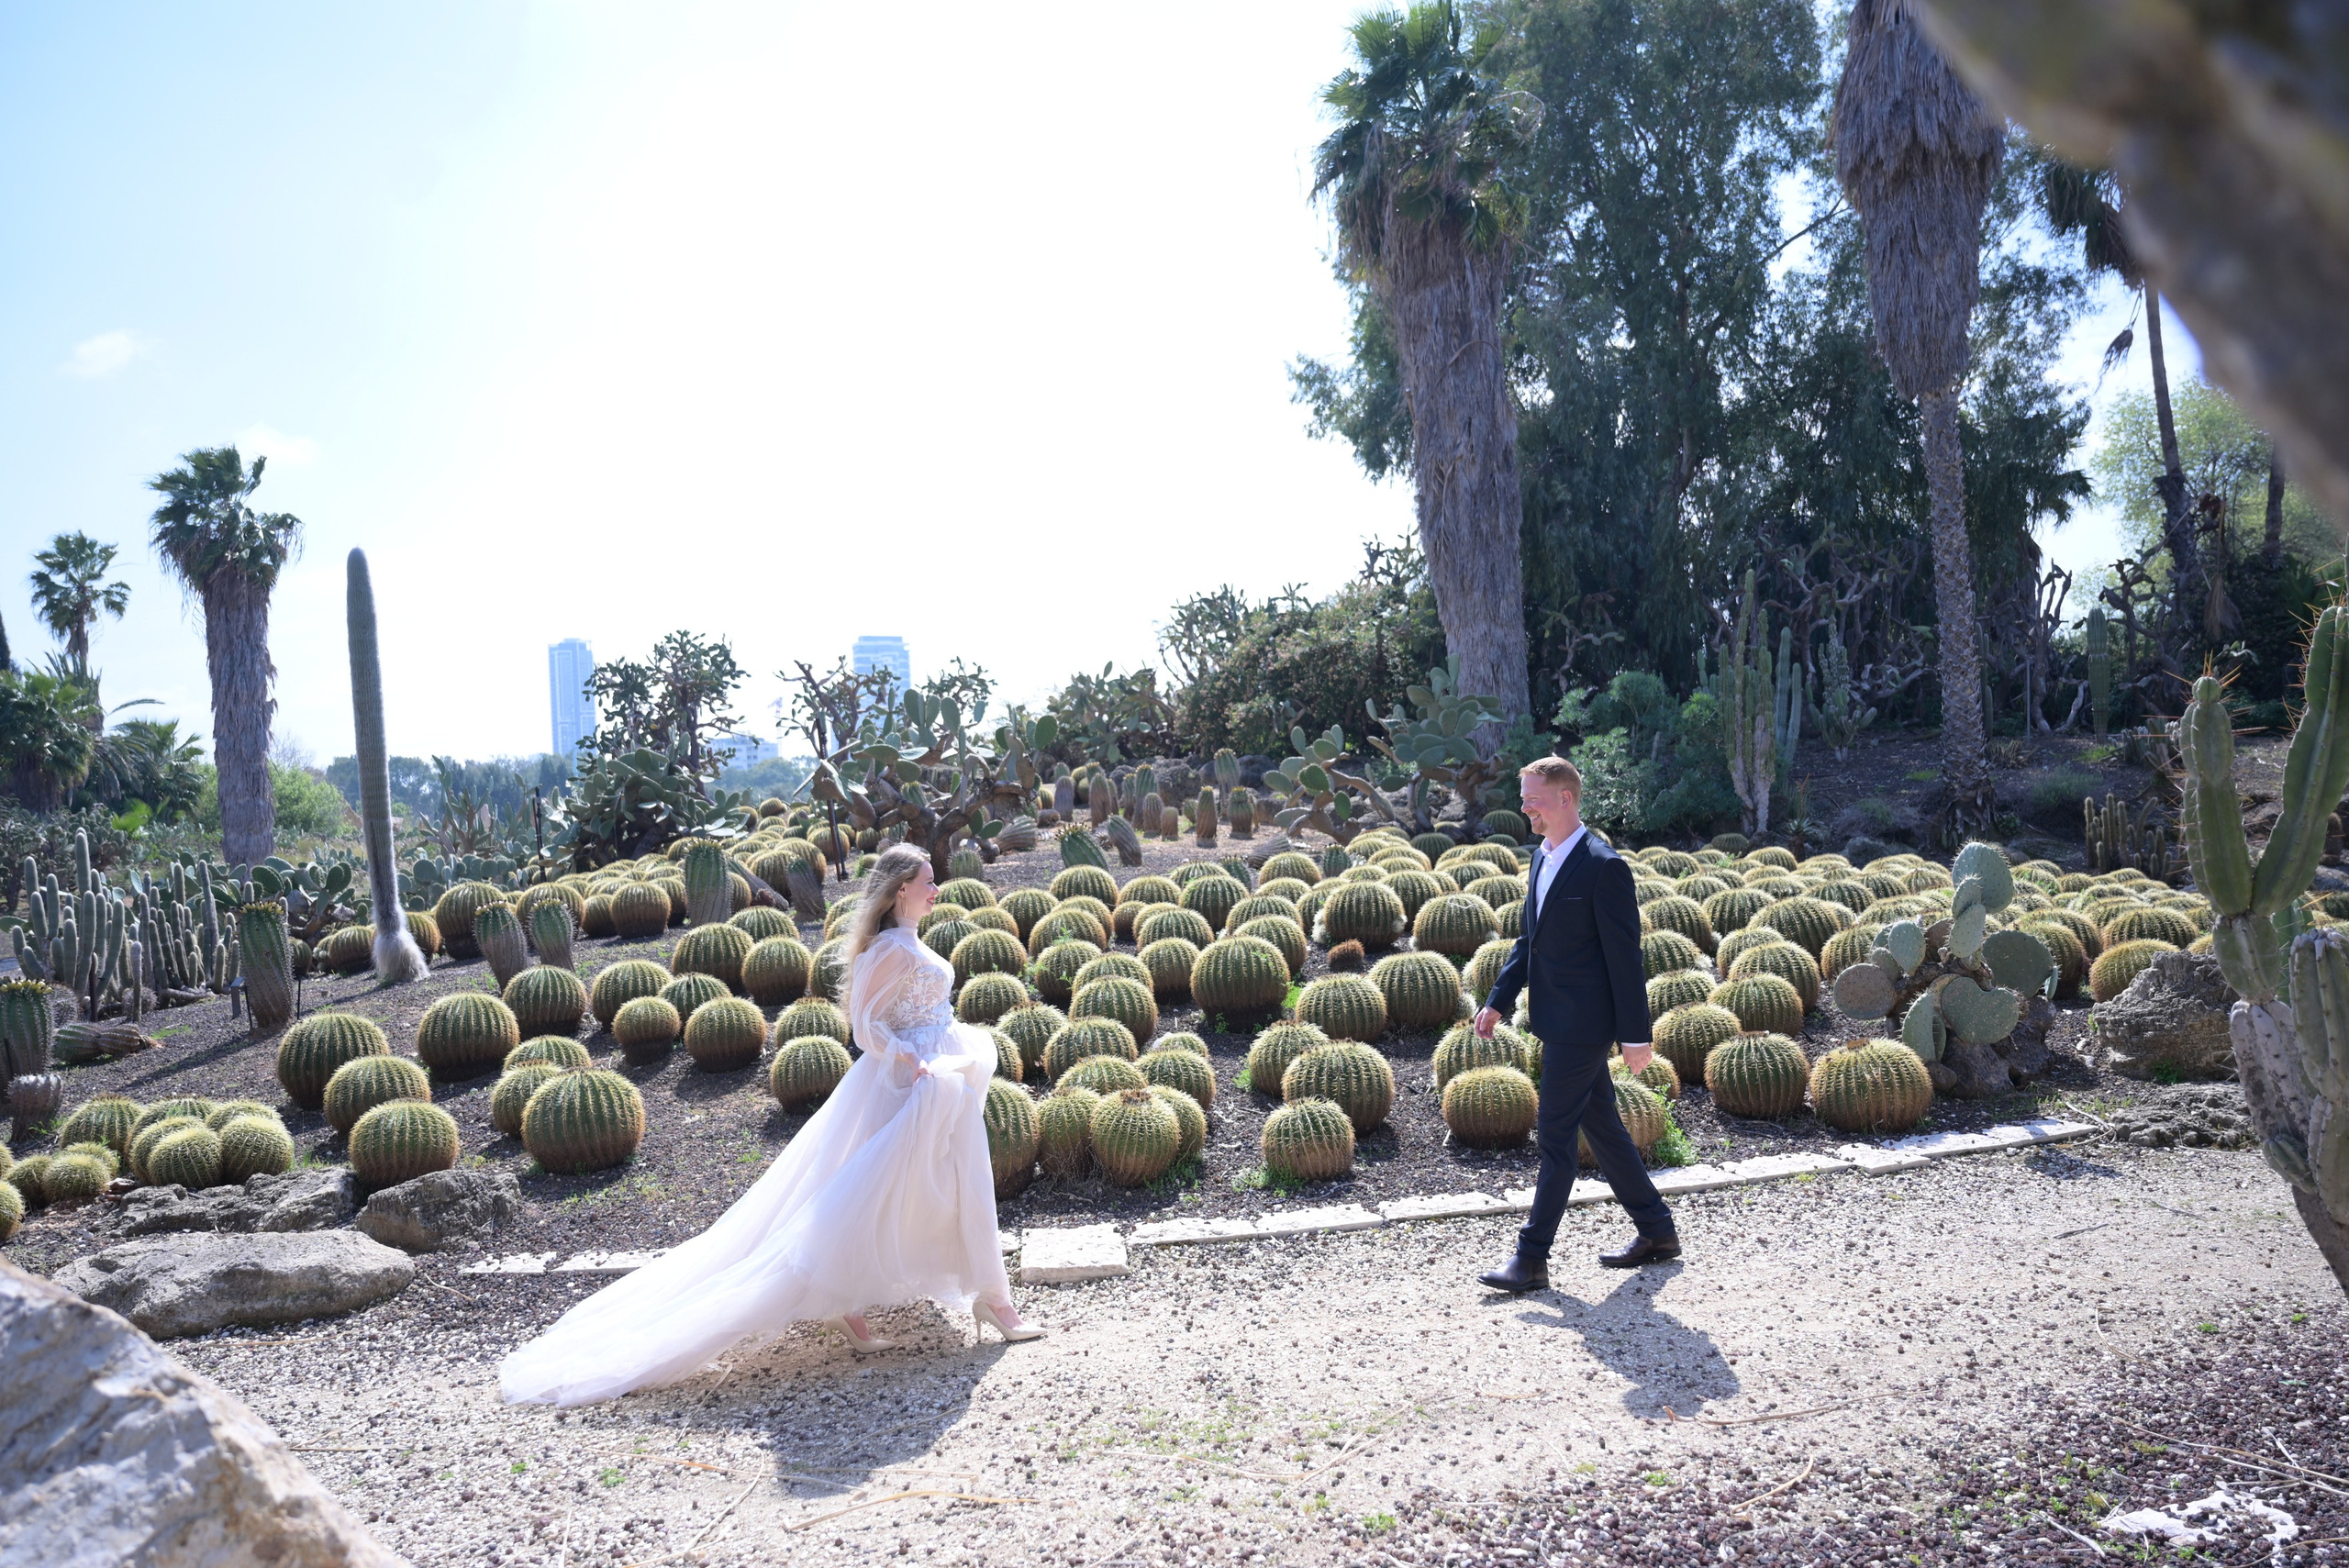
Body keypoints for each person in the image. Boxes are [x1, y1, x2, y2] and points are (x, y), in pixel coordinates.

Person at [498, 843, 1041, 1407]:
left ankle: (959, 1296)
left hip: (941, 1076)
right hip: (915, 1081)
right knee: (880, 1191)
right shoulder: (887, 949)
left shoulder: (909, 944)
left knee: (946, 1183)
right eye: (927, 881)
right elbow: (864, 1027)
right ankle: (960, 1299)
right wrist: (909, 1059)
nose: (936, 889)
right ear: (900, 887)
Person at [1471, 757, 1679, 1293]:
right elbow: (1529, 941)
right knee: (1604, 1131)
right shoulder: (1542, 858)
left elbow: (1624, 957)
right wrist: (1498, 1000)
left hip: (1583, 1027)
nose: (1524, 807)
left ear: (1565, 798)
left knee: (1555, 1139)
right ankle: (1657, 1231)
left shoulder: (1603, 866)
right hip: (1554, 1019)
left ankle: (1531, 1258)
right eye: (1524, 798)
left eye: (1532, 798)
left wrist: (1635, 1035)